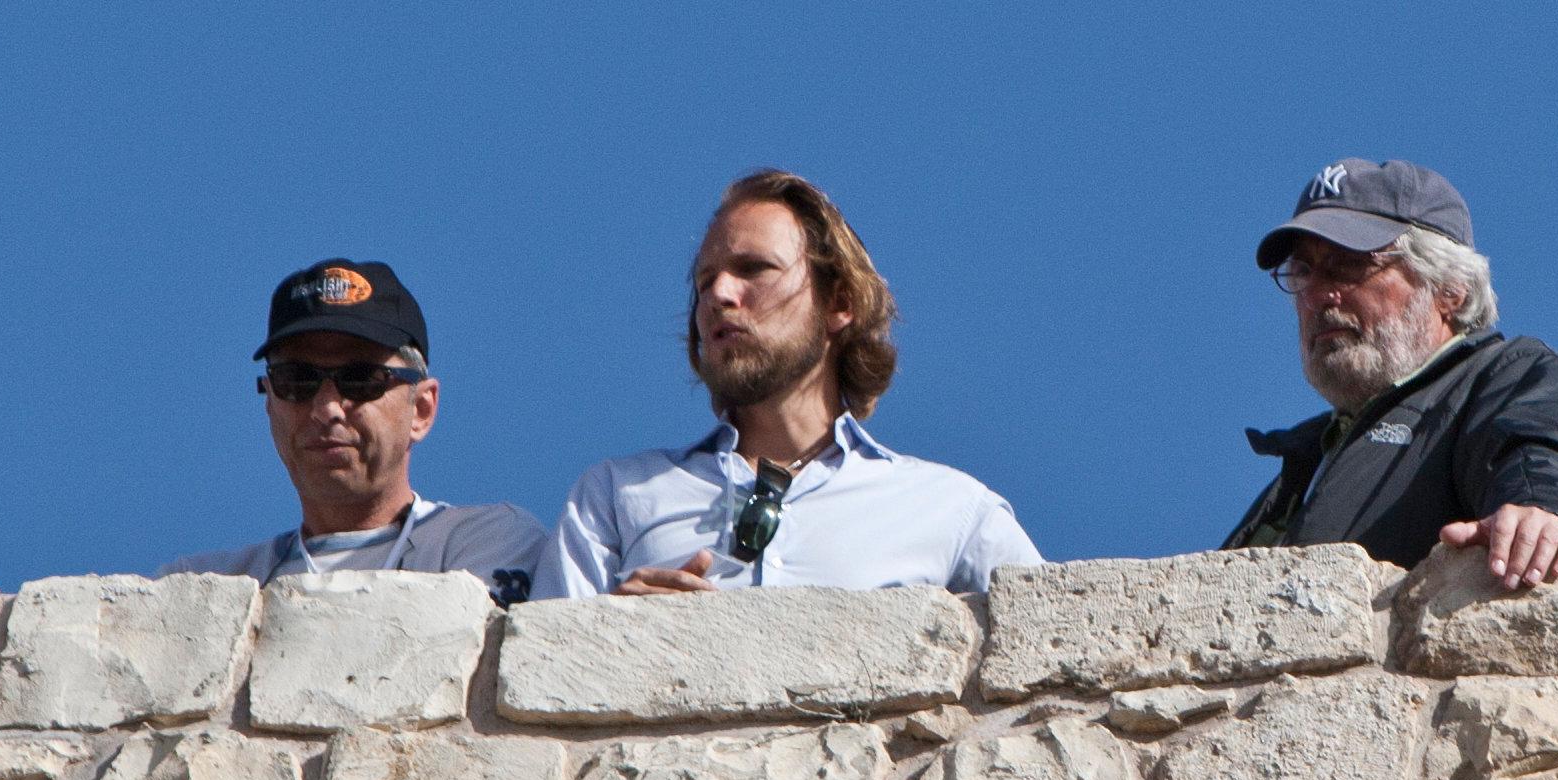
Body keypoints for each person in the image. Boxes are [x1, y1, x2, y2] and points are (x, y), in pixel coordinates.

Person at [540, 170, 1041, 596]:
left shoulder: (951, 511)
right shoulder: (615, 496)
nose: (718, 294)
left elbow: (1055, 653)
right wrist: (615, 633)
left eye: (753, 269)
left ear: (839, 303)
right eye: (704, 281)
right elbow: (537, 666)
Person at [1224, 158, 1558, 589]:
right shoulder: (1304, 465)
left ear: (1450, 289)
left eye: (1349, 264)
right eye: (1302, 271)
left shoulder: (1505, 378)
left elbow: (1536, 451)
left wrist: (1539, 509)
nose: (1317, 295)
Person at [162, 260, 545, 604]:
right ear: (270, 404)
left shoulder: (485, 541)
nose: (327, 408)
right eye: (296, 380)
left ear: (421, 409)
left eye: (361, 379)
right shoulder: (198, 588)